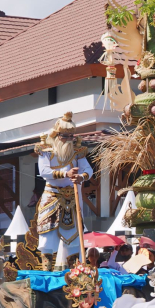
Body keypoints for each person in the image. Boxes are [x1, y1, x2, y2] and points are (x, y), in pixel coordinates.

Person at [34, 113, 92, 271]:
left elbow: (88, 169)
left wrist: (81, 177)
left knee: (73, 237)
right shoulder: (46, 151)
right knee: (47, 233)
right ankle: (46, 270)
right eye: (64, 136)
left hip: (72, 198)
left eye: (71, 136)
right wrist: (66, 174)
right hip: (52, 196)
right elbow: (44, 171)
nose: (68, 139)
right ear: (56, 135)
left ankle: (75, 272)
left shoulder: (77, 152)